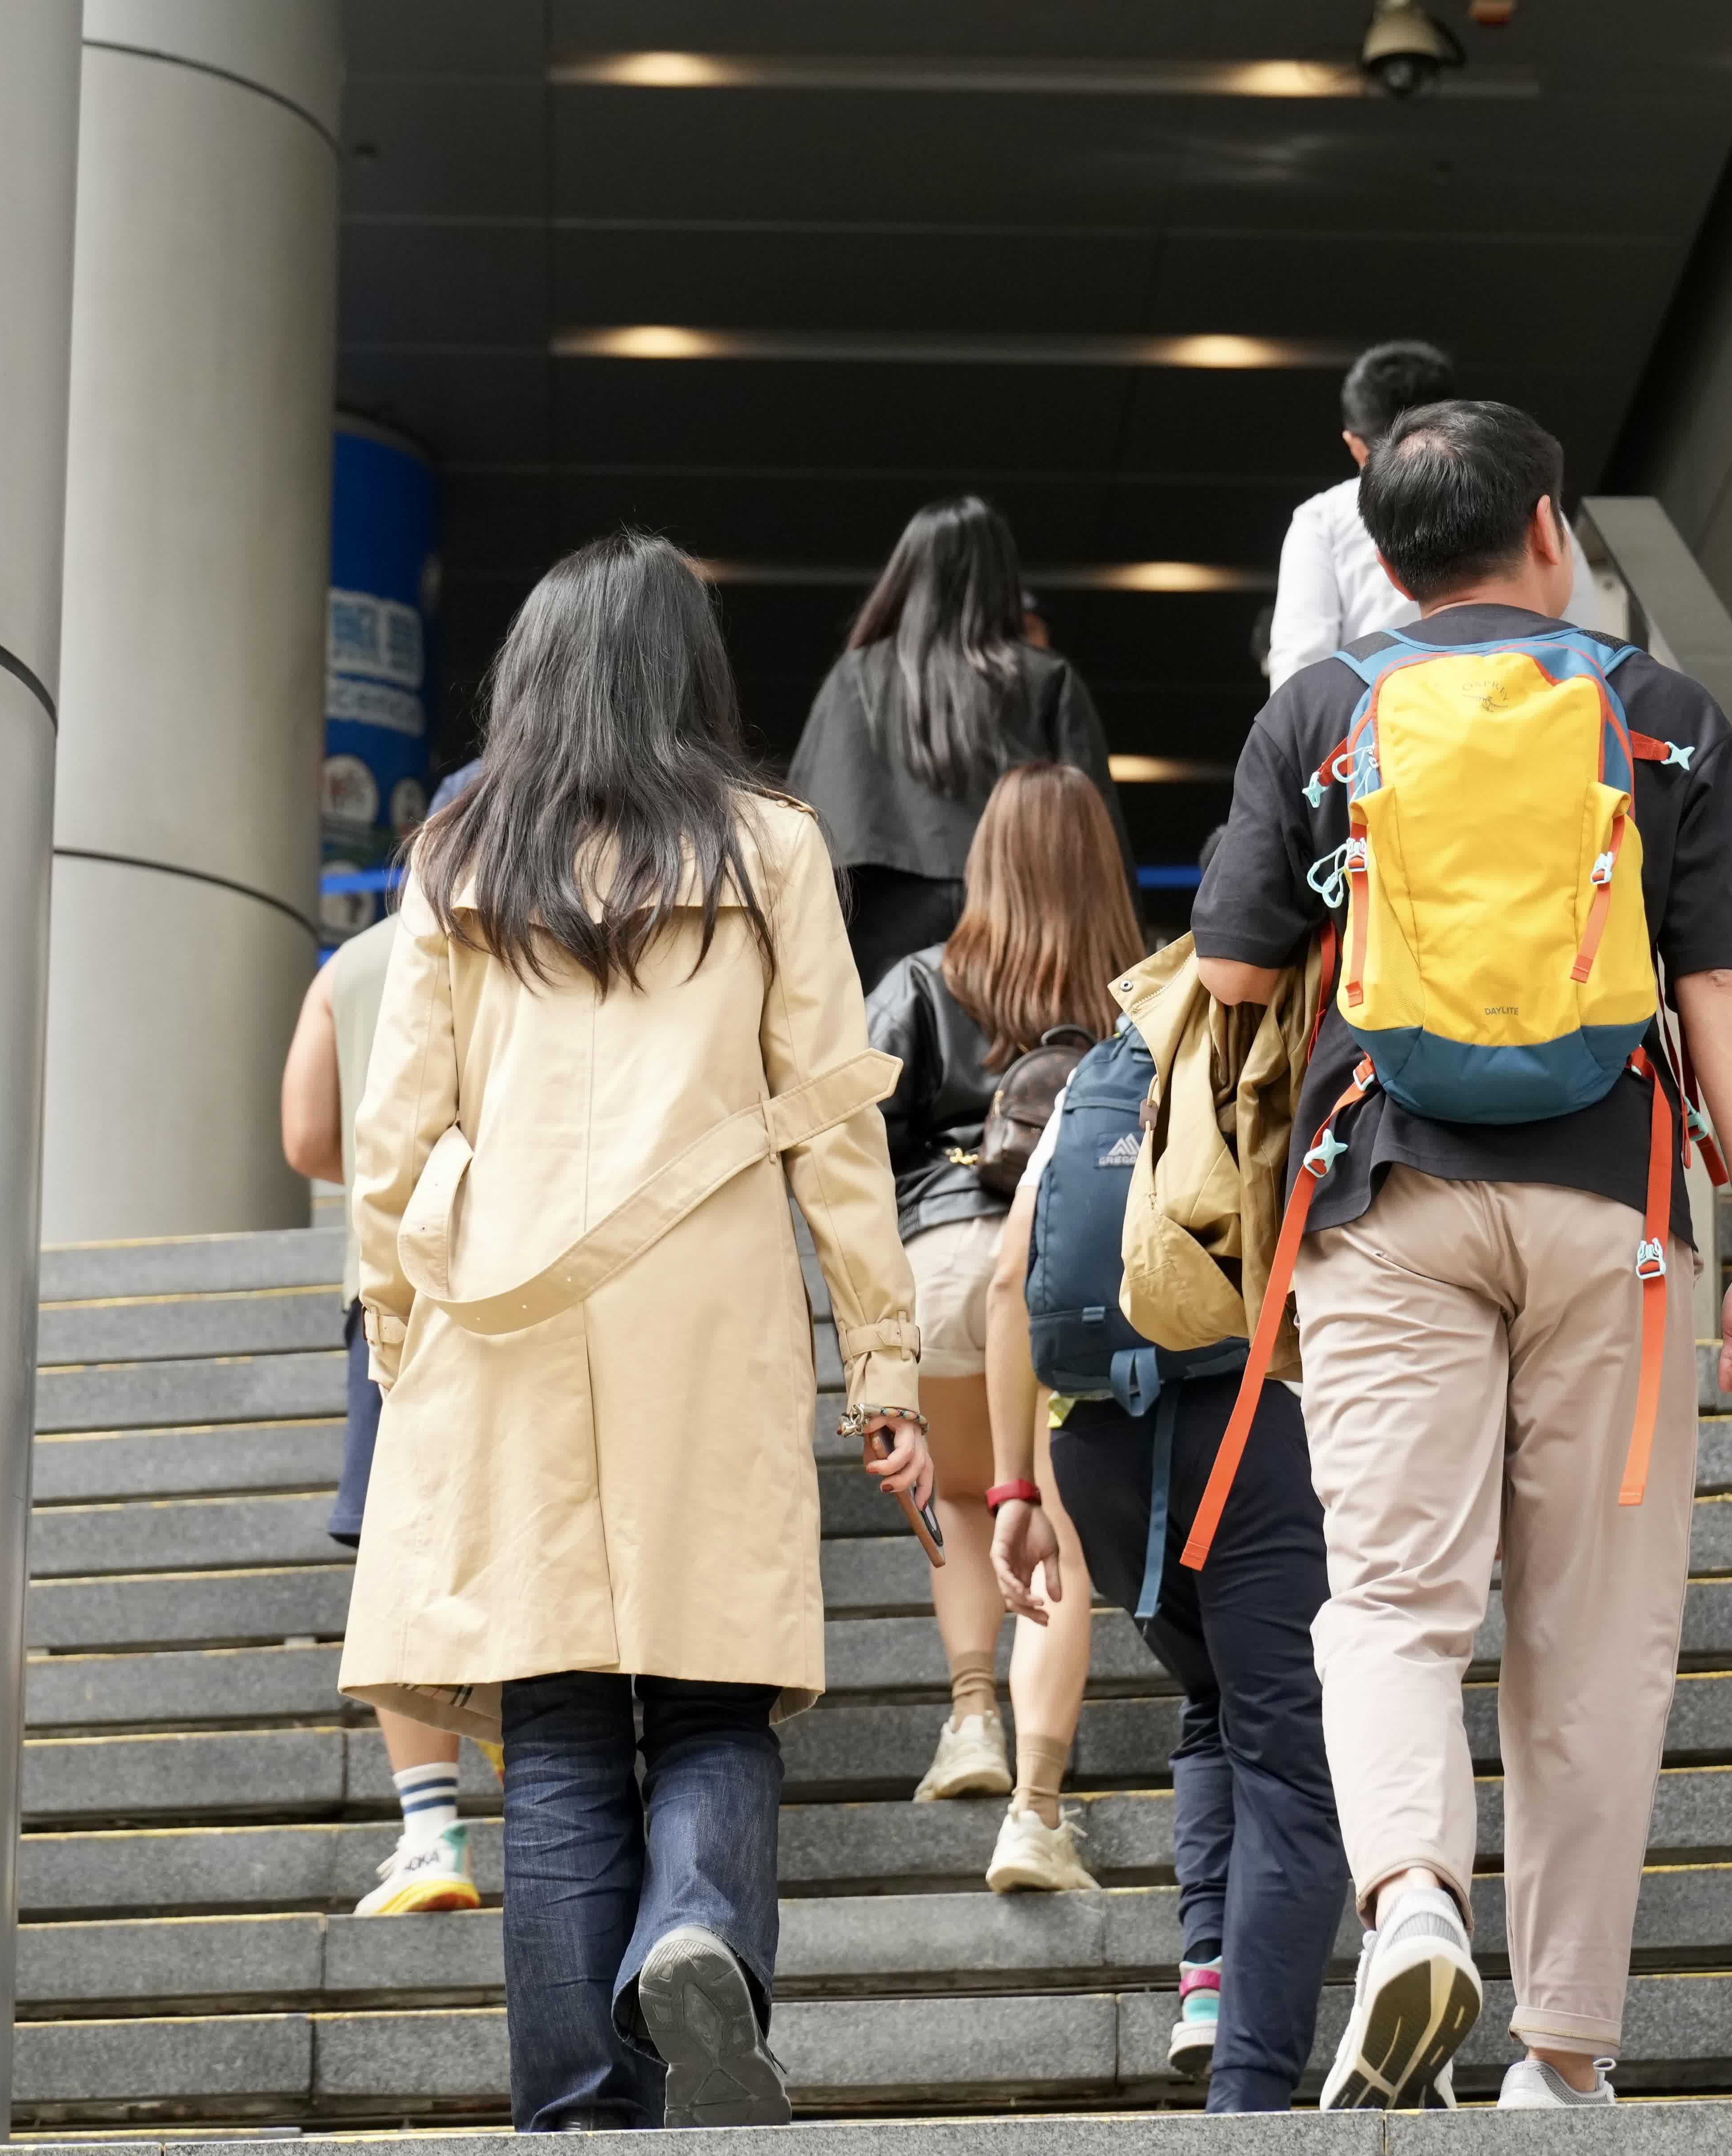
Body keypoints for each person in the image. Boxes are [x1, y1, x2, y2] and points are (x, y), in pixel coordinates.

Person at [1193, 400, 1732, 2110]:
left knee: (1390, 1597)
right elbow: (1726, 993)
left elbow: (1233, 979)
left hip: (1385, 1196)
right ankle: (1562, 2054)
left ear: (1377, 562)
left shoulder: (1320, 710)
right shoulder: (1663, 715)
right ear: (1553, 529)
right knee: (1593, 1637)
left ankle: (1405, 1908)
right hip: (1612, 1207)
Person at [337, 531, 930, 2133]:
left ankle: (575, 2114)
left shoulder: (459, 853)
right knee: (715, 1690)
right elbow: (831, 1121)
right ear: (691, 675)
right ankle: (697, 1925)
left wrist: (400, 1343)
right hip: (707, 1313)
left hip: (506, 1324)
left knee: (560, 1728)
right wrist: (883, 1360)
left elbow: (391, 1141)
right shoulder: (772, 847)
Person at [985, 1077, 1347, 2112]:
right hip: (1248, 1424)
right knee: (1286, 1744)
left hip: (1094, 1444)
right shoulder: (1277, 1046)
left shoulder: (1092, 1074)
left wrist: (1015, 1486)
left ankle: (1207, 1973)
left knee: (1211, 1697)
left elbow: (1012, 1274)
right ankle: (1249, 2084)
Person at [861, 761, 1144, 1893]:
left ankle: (970, 1714)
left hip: (938, 1270)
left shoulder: (922, 981)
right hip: (1078, 1278)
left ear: (983, 863)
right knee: (1057, 1535)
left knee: (973, 1499)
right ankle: (1036, 1807)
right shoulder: (1148, 988)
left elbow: (853, 1144)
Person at [279, 917, 483, 1918]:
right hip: (524, 1275)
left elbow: (307, 1138)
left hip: (390, 1289)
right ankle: (561, 1797)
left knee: (401, 1545)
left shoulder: (355, 961)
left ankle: (428, 1832)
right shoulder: (544, 923)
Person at [787, 496, 1126, 987]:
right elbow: (1098, 838)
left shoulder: (853, 680)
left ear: (907, 574)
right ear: (1001, 578)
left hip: (879, 934)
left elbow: (805, 829)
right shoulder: (1046, 679)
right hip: (1024, 932)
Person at [1262, 340, 1458, 690]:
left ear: (1354, 444)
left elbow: (1299, 661)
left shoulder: (1323, 519)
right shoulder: (1521, 501)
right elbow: (1577, 626)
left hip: (1377, 732)